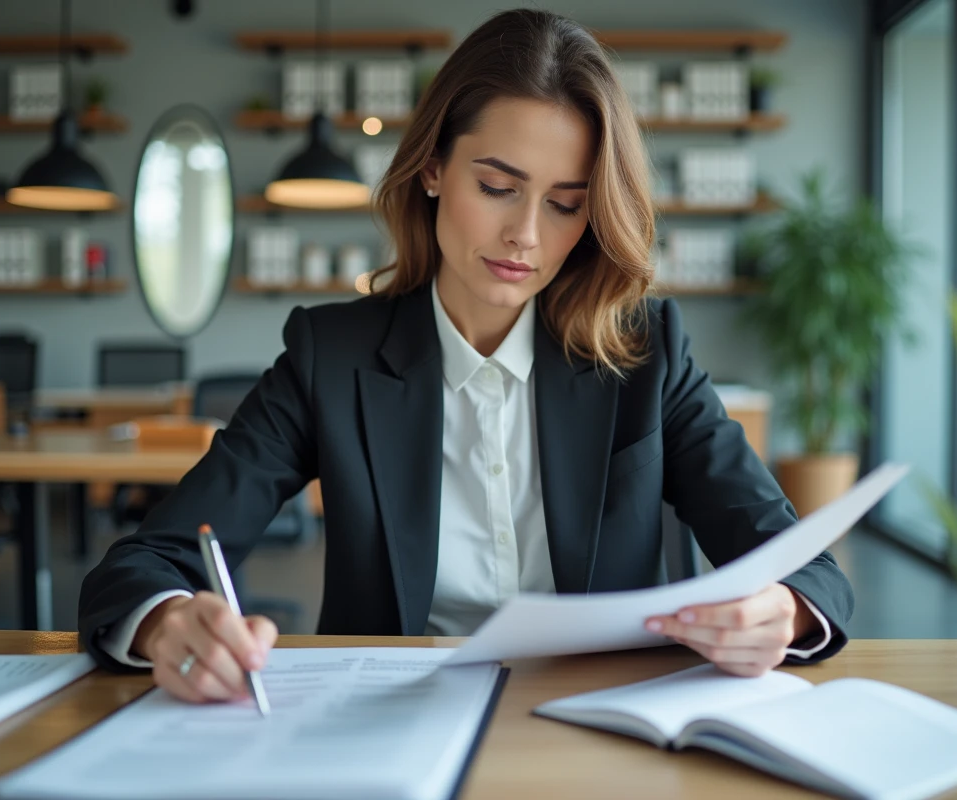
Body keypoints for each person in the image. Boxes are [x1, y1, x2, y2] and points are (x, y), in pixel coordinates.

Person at [79, 8, 852, 704]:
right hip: (384, 724)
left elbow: (807, 569)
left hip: (597, 730)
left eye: (564, 204)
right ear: (434, 169)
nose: (526, 234)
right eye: (497, 186)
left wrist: (782, 611)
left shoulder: (645, 354)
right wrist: (170, 622)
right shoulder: (331, 356)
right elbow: (147, 563)